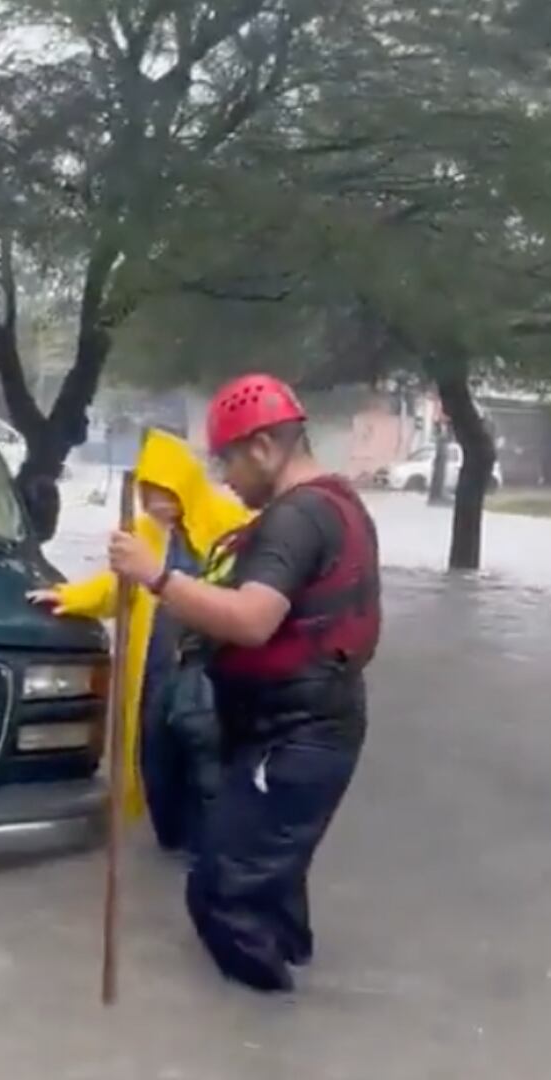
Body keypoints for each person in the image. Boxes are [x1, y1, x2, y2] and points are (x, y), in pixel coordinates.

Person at [105, 373, 380, 993]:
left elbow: (254, 622)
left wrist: (155, 577)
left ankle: (263, 1023)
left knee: (220, 889)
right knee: (268, 877)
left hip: (297, 737)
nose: (224, 478)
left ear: (262, 447)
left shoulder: (298, 518)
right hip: (294, 729)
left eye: (228, 459)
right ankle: (285, 974)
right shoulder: (333, 503)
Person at [30, 428, 251, 851]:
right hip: (156, 669)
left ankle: (215, 845)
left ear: (183, 483)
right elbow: (117, 588)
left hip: (208, 666)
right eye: (147, 491)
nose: (153, 500)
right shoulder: (147, 534)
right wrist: (66, 597)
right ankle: (174, 835)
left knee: (207, 753)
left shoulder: (228, 523)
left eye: (161, 489)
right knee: (155, 754)